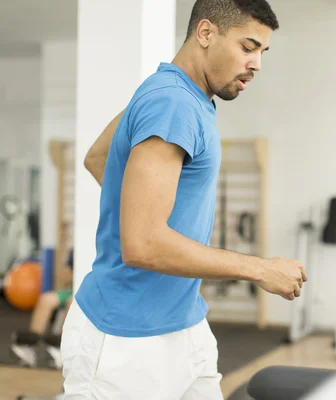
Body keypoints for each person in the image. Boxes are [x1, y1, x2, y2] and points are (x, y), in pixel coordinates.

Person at [60, 1, 307, 399]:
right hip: (125, 341)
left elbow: (98, 158)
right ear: (206, 33)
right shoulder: (171, 102)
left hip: (184, 323)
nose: (257, 63)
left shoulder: (181, 96)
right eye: (248, 47)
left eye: (262, 52)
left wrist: (141, 209)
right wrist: (259, 269)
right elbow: (142, 245)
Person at [11, 249, 74, 368]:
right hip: (74, 288)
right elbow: (65, 278)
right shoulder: (77, 248)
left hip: (88, 292)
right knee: (46, 299)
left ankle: (61, 345)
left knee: (73, 302)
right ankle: (30, 344)